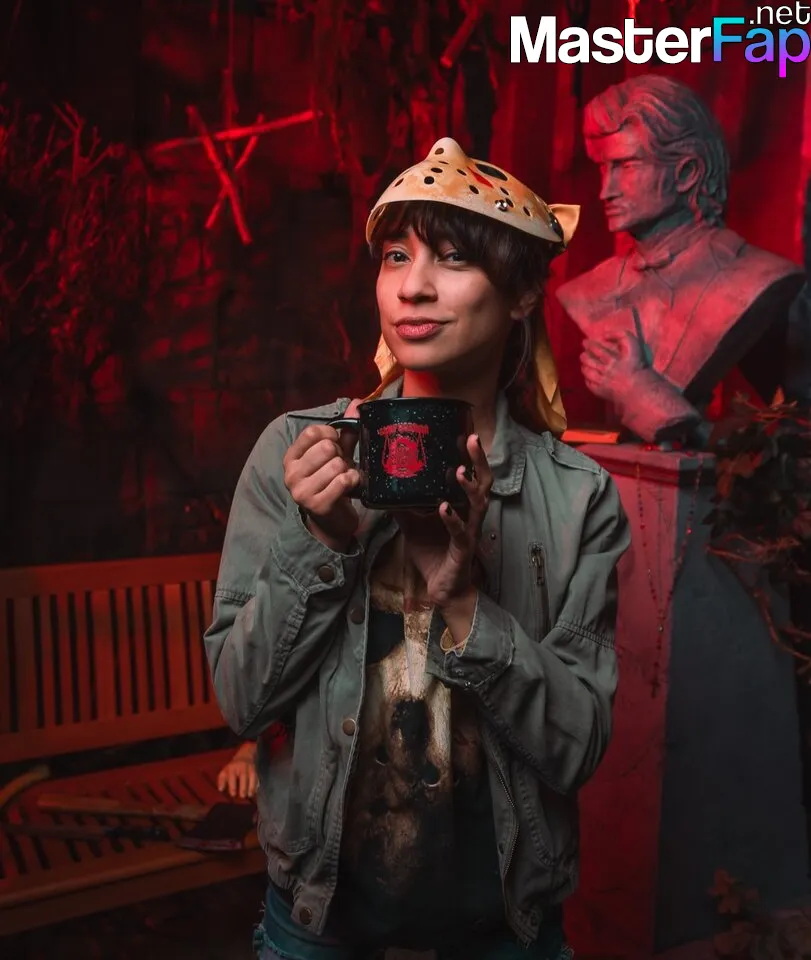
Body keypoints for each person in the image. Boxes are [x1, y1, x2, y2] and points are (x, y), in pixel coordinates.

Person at [204, 136, 631, 960]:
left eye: (453, 258)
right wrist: (323, 544)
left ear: (521, 293)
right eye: (395, 255)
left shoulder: (578, 499)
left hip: (500, 928)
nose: (412, 286)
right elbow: (241, 701)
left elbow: (575, 749)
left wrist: (465, 603)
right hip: (320, 920)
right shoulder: (297, 454)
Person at [556, 74, 806, 445]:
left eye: (626, 165)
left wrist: (637, 391)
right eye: (603, 168)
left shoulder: (759, 280)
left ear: (688, 172)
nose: (605, 191)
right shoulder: (589, 290)